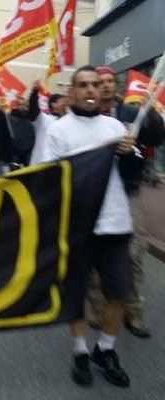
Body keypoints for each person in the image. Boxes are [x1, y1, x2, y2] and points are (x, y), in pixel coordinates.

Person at [41, 65, 143, 388]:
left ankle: (106, 349)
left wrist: (129, 156)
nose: (89, 90)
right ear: (72, 91)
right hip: (77, 228)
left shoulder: (116, 127)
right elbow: (49, 178)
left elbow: (132, 176)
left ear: (102, 90)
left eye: (95, 85)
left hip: (115, 225)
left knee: (120, 292)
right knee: (75, 294)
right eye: (82, 85)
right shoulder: (58, 131)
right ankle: (81, 350)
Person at [84, 65, 165, 338]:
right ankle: (96, 309)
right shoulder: (87, 115)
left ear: (115, 86)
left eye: (110, 81)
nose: (106, 86)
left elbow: (155, 137)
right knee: (94, 259)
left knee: (135, 254)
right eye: (100, 81)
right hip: (95, 197)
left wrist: (151, 112)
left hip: (127, 193)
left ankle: (134, 312)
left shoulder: (130, 112)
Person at [28, 83, 68, 165]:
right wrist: (35, 93)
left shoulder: (68, 122)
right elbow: (33, 108)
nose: (66, 103)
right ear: (53, 104)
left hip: (59, 165)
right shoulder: (43, 119)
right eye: (62, 101)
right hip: (39, 163)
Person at [8, 95, 36, 167]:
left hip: (27, 155)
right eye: (23, 105)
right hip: (13, 155)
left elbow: (31, 136)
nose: (25, 108)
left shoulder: (29, 120)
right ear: (17, 106)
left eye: (27, 106)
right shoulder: (8, 119)